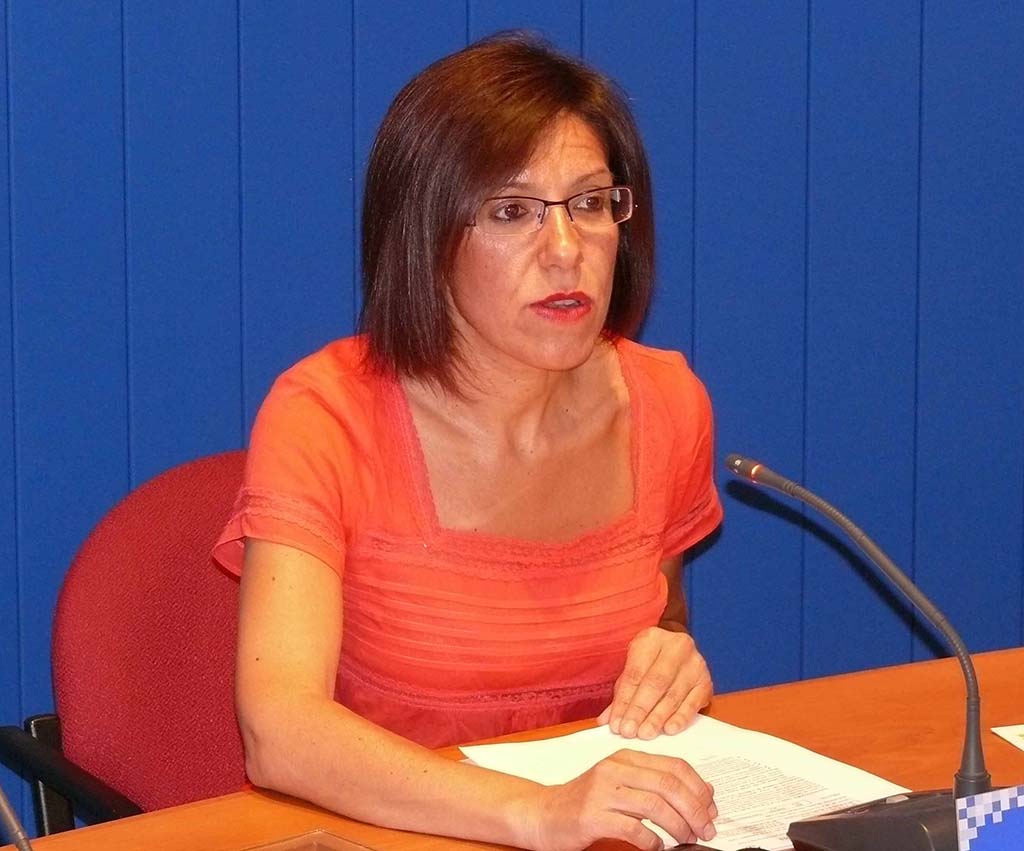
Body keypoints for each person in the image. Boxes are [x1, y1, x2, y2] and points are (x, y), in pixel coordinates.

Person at [214, 32, 723, 851]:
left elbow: (659, 609)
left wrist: (668, 653)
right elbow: (281, 731)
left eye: (591, 204)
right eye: (512, 211)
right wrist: (536, 812)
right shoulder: (326, 415)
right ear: (424, 235)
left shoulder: (667, 403)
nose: (567, 250)